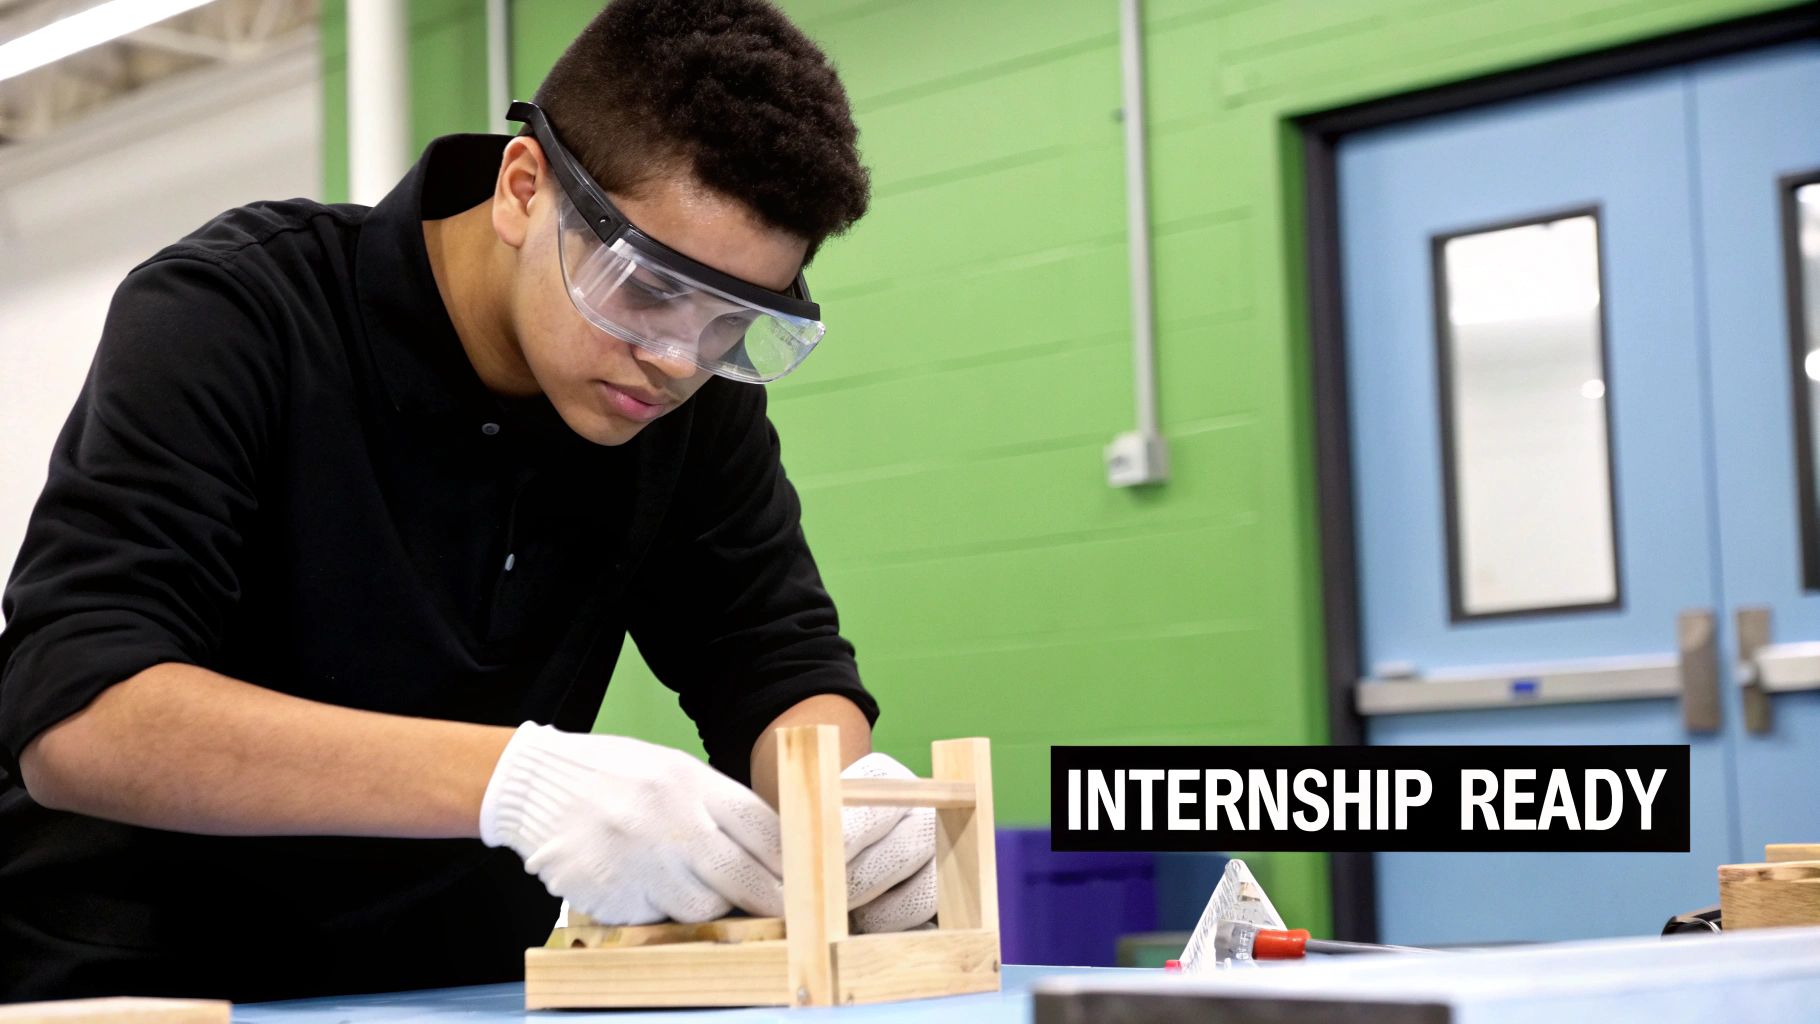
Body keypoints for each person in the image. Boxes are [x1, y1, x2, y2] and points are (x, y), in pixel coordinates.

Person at [0, 0, 935, 1003]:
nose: (677, 359)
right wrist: (518, 783)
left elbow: (772, 662)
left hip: (452, 994)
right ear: (523, 188)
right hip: (138, 985)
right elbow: (79, 712)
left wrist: (839, 809)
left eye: (734, 320)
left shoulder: (683, 405)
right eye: (649, 286)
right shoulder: (237, 314)